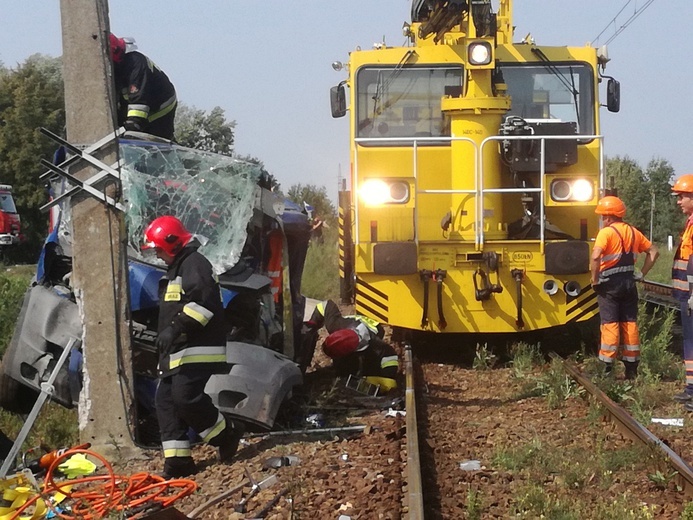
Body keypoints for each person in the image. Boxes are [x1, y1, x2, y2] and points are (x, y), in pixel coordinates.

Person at [142, 215, 240, 478]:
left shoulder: (194, 264)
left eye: (159, 249)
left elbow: (204, 305)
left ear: (172, 244)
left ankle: (226, 435)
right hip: (179, 353)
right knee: (165, 401)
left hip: (198, 349)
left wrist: (175, 328)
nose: (159, 255)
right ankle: (178, 462)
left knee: (186, 398)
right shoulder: (177, 269)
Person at [590, 196, 659, 380]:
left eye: (603, 216)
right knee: (630, 324)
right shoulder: (634, 232)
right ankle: (631, 368)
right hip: (629, 284)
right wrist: (642, 273)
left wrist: (594, 279)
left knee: (610, 324)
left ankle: (606, 368)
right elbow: (654, 251)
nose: (602, 219)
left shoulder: (606, 233)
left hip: (609, 286)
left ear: (608, 216)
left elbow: (596, 257)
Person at [307, 300, 399, 391]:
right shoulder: (335, 325)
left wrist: (387, 376)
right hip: (353, 323)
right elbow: (325, 305)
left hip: (374, 328)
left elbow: (390, 354)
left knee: (369, 369)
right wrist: (312, 325)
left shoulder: (373, 345)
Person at [109, 33, 177, 140]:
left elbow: (139, 98)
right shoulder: (115, 68)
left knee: (156, 141)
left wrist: (133, 123)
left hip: (160, 105)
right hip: (136, 103)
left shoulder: (135, 63)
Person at [671, 174, 693, 407]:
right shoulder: (690, 224)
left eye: (682, 196)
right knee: (689, 341)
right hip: (686, 294)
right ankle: (691, 388)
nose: (678, 201)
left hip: (691, 295)